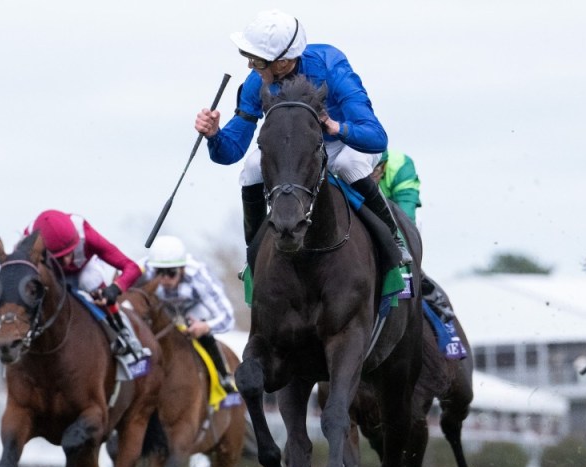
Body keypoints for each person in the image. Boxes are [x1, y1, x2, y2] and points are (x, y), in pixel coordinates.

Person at [194, 9, 410, 266]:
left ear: (283, 62)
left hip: (345, 145)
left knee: (347, 165)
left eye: (257, 60)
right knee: (251, 168)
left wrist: (335, 127)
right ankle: (253, 255)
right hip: (294, 151)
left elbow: (376, 138)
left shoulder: (331, 66)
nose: (250, 66)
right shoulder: (256, 83)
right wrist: (214, 135)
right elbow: (231, 153)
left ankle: (392, 238)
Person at [26, 209, 144, 359]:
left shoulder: (86, 233)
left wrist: (115, 288)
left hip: (84, 270)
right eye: (60, 257)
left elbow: (132, 267)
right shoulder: (28, 241)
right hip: (51, 276)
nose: (67, 261)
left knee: (89, 281)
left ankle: (122, 332)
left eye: (70, 252)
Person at [142, 236, 237, 393]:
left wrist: (205, 327)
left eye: (171, 273)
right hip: (163, 308)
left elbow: (227, 318)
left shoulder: (199, 276)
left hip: (193, 309)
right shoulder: (145, 269)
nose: (165, 279)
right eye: (159, 273)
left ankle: (224, 375)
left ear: (182, 269)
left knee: (197, 322)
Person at [371, 150, 454, 322]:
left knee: (405, 237)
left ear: (383, 166)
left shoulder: (401, 165)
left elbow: (405, 214)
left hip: (397, 220)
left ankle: (425, 287)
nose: (368, 177)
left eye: (374, 172)